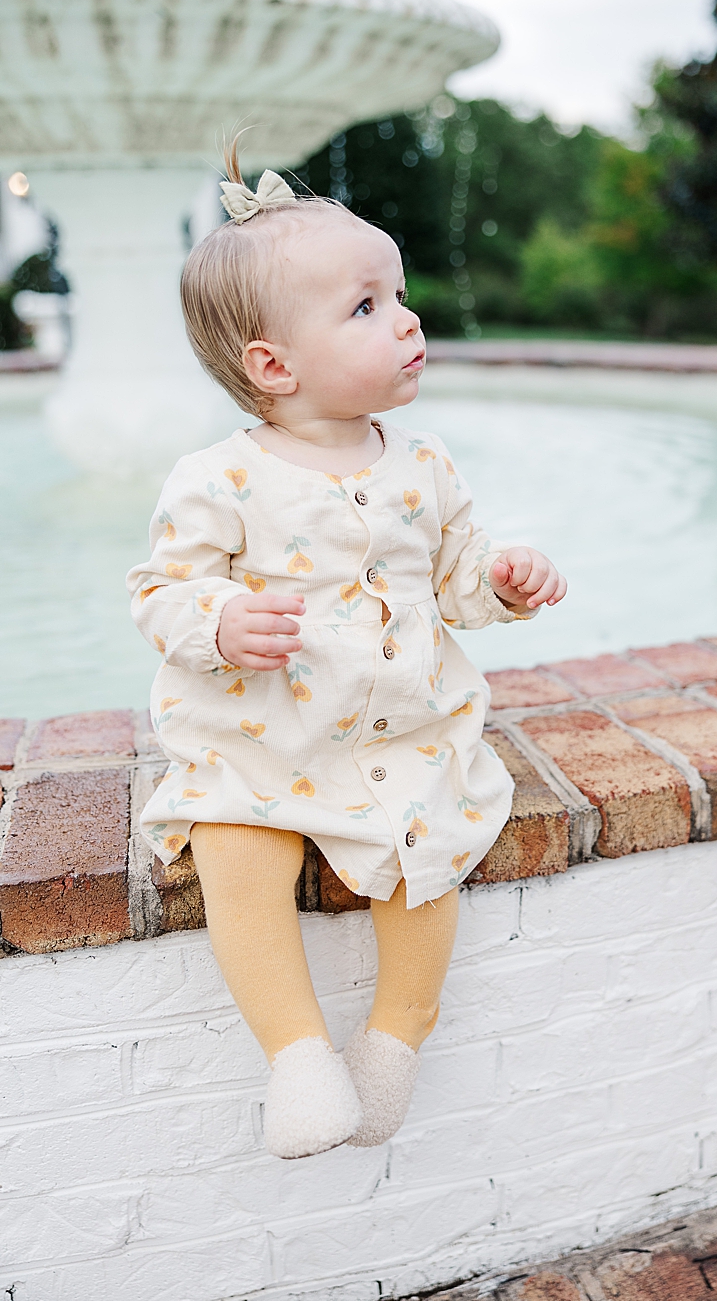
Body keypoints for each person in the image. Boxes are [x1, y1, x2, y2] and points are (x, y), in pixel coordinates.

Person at [126, 149, 567, 1160]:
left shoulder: (422, 462)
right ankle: (296, 1053)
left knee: (431, 850)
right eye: (367, 307)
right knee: (235, 849)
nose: (409, 319)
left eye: (400, 294)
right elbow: (160, 591)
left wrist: (498, 579)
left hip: (401, 729)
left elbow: (454, 575)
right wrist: (219, 621)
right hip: (264, 734)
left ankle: (398, 1034)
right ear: (273, 365)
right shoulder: (219, 478)